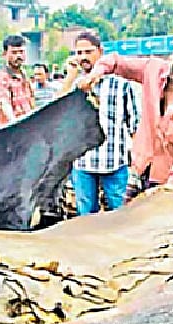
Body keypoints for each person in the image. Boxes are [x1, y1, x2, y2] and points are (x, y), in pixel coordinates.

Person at [79, 36, 173, 194]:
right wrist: (94, 75)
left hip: (166, 176)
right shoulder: (153, 69)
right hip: (138, 167)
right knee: (127, 213)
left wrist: (172, 185)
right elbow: (115, 61)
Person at [59, 31, 139, 215]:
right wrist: (70, 78)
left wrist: (137, 162)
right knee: (86, 217)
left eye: (88, 52)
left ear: (100, 52)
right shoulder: (74, 85)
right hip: (83, 163)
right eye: (79, 53)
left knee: (120, 214)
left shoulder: (121, 85)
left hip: (114, 161)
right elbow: (56, 112)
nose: (83, 57)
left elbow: (134, 125)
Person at [0, 35, 34, 127]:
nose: (18, 56)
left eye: (21, 52)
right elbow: (3, 102)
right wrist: (14, 122)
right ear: (4, 54)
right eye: (14, 52)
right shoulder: (2, 77)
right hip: (13, 130)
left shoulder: (24, 76)